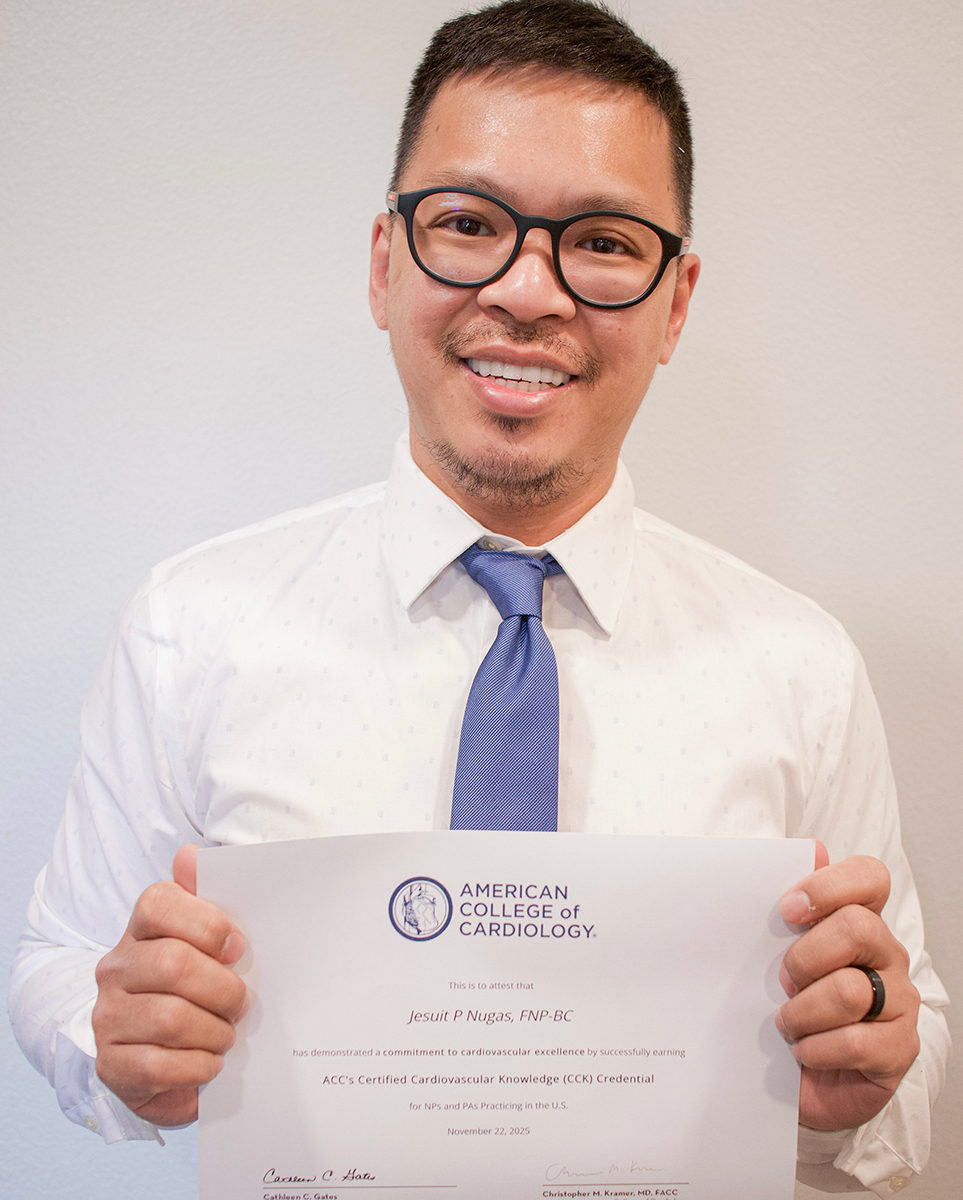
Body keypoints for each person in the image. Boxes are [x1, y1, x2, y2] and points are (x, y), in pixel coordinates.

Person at [10, 1, 948, 1195]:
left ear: (676, 301)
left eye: (604, 241)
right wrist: (111, 1039)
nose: (530, 290)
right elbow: (61, 955)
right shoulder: (191, 626)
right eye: (467, 222)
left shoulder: (800, 665)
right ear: (383, 262)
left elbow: (906, 1036)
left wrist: (865, 1076)